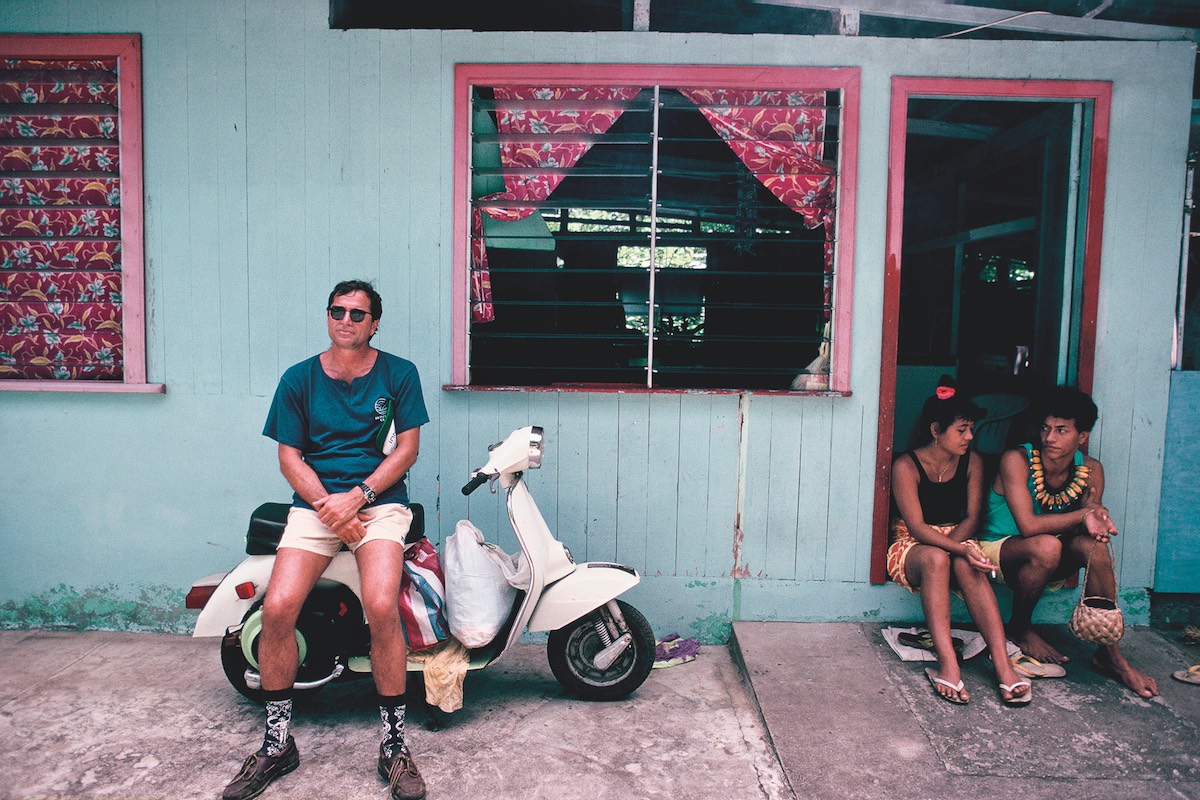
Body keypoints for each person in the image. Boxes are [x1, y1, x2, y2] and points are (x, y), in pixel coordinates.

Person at [222, 280, 431, 800]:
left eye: (358, 314)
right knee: (278, 609)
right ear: (327, 316)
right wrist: (329, 509)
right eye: (337, 311)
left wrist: (356, 497)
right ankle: (276, 744)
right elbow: (289, 458)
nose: (346, 320)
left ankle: (394, 747)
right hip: (317, 507)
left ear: (374, 323)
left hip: (378, 504)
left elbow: (406, 451)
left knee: (382, 606)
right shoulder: (299, 379)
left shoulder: (399, 374)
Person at [977, 385, 1159, 699]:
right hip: (999, 550)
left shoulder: (1091, 471)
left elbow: (1088, 528)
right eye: (1046, 428)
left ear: (1082, 437)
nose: (1049, 438)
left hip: (1052, 553)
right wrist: (1082, 515)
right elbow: (1029, 526)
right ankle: (1020, 627)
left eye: (1062, 430)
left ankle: (1109, 654)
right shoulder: (1016, 459)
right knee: (1047, 545)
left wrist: (1096, 517)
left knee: (1095, 549)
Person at [888, 378, 1031, 706]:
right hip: (911, 543)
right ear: (936, 430)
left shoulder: (973, 461)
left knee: (966, 565)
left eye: (971, 429)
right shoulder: (906, 465)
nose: (970, 437)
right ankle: (948, 664)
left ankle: (1003, 667)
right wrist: (955, 550)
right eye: (962, 430)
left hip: (958, 535)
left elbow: (970, 518)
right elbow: (918, 527)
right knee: (938, 559)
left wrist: (957, 547)